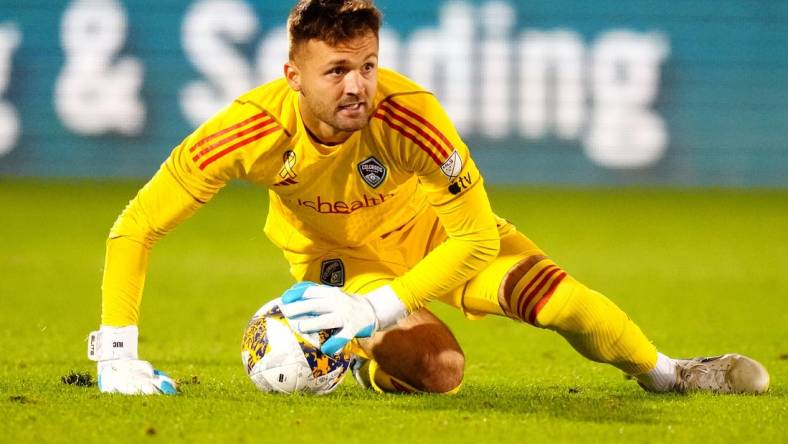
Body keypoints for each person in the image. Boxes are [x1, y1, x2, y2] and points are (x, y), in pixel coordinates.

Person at [87, 0, 769, 395]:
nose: (357, 86)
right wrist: (115, 354)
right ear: (293, 75)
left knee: (561, 302)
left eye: (368, 65)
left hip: (439, 239)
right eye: (337, 71)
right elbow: (138, 225)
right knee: (441, 372)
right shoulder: (249, 130)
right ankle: (364, 363)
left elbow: (474, 237)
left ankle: (669, 373)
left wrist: (376, 309)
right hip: (338, 265)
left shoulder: (411, 117)